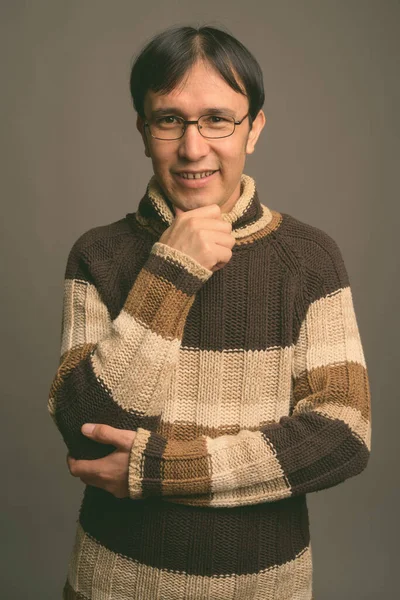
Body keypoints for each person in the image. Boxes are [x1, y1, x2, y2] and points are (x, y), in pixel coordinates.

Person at [48, 24, 371, 600]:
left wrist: (157, 471)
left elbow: (342, 437)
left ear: (255, 129)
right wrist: (170, 272)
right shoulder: (98, 254)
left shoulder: (310, 258)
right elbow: (85, 432)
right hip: (112, 587)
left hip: (265, 588)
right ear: (143, 131)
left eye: (218, 119)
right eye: (170, 119)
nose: (193, 148)